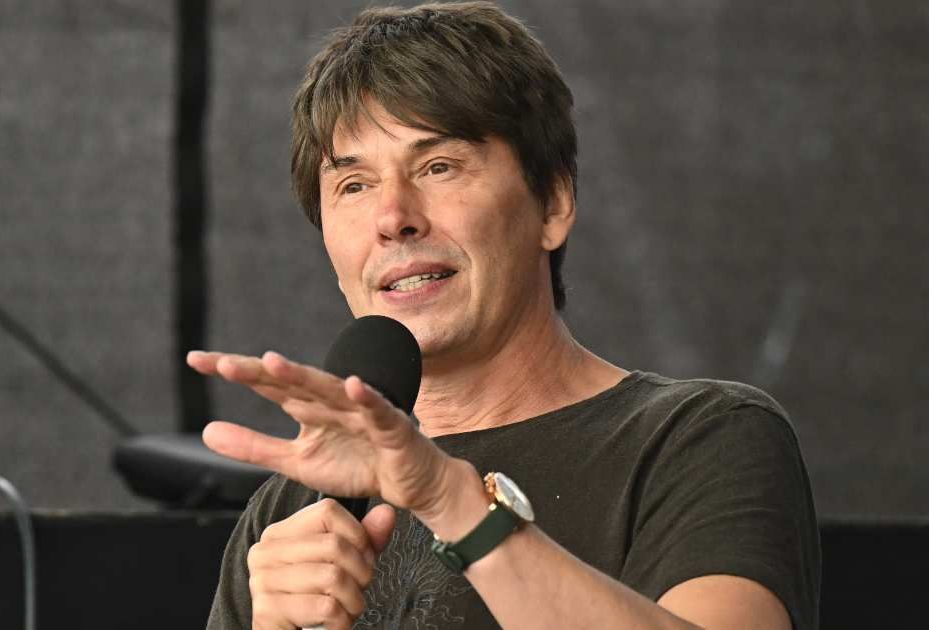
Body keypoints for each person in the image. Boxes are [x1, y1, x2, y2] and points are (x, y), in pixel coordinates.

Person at [190, 2, 820, 629]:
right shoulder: (288, 514)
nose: (392, 218)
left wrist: (456, 505)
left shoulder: (699, 439)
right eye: (354, 186)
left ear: (552, 204)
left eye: (439, 167)